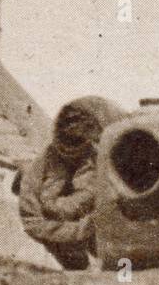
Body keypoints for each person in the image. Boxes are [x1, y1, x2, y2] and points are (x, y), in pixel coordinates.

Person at [18, 96, 126, 268]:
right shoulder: (39, 170)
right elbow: (33, 223)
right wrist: (85, 228)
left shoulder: (114, 161)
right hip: (72, 243)